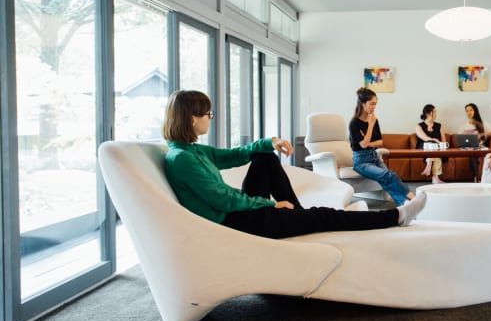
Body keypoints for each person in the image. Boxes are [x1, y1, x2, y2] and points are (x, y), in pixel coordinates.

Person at [161, 90, 425, 239]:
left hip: (238, 213)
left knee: (264, 157)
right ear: (192, 119)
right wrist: (268, 204)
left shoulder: (190, 150)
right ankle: (396, 216)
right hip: (237, 223)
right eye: (208, 113)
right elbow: (222, 199)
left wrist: (270, 142)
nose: (210, 117)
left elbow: (233, 155)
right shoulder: (182, 159)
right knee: (324, 215)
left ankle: (297, 216)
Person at [349, 87, 415, 205]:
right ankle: (413, 198)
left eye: (375, 104)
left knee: (388, 181)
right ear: (363, 104)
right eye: (371, 104)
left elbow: (379, 142)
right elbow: (363, 145)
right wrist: (370, 125)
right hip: (361, 162)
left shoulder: (374, 120)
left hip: (374, 157)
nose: (374, 107)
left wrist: (367, 141)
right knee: (389, 175)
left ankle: (404, 204)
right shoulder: (354, 123)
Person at [415, 104, 447, 184]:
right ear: (428, 113)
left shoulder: (439, 126)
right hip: (423, 148)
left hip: (437, 149)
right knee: (431, 143)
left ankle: (429, 165)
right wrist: (435, 140)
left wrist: (440, 144)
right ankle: (436, 178)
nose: (436, 114)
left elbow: (444, 141)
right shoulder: (419, 126)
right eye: (434, 112)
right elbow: (425, 138)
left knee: (435, 149)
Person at [461, 103, 488, 181]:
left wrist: (482, 134)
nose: (469, 112)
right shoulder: (464, 125)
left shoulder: (482, 123)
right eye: (467, 111)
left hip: (480, 146)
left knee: (474, 153)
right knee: (472, 152)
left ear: (475, 111)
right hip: (469, 147)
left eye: (471, 110)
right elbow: (461, 138)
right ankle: (475, 176)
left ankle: (477, 177)